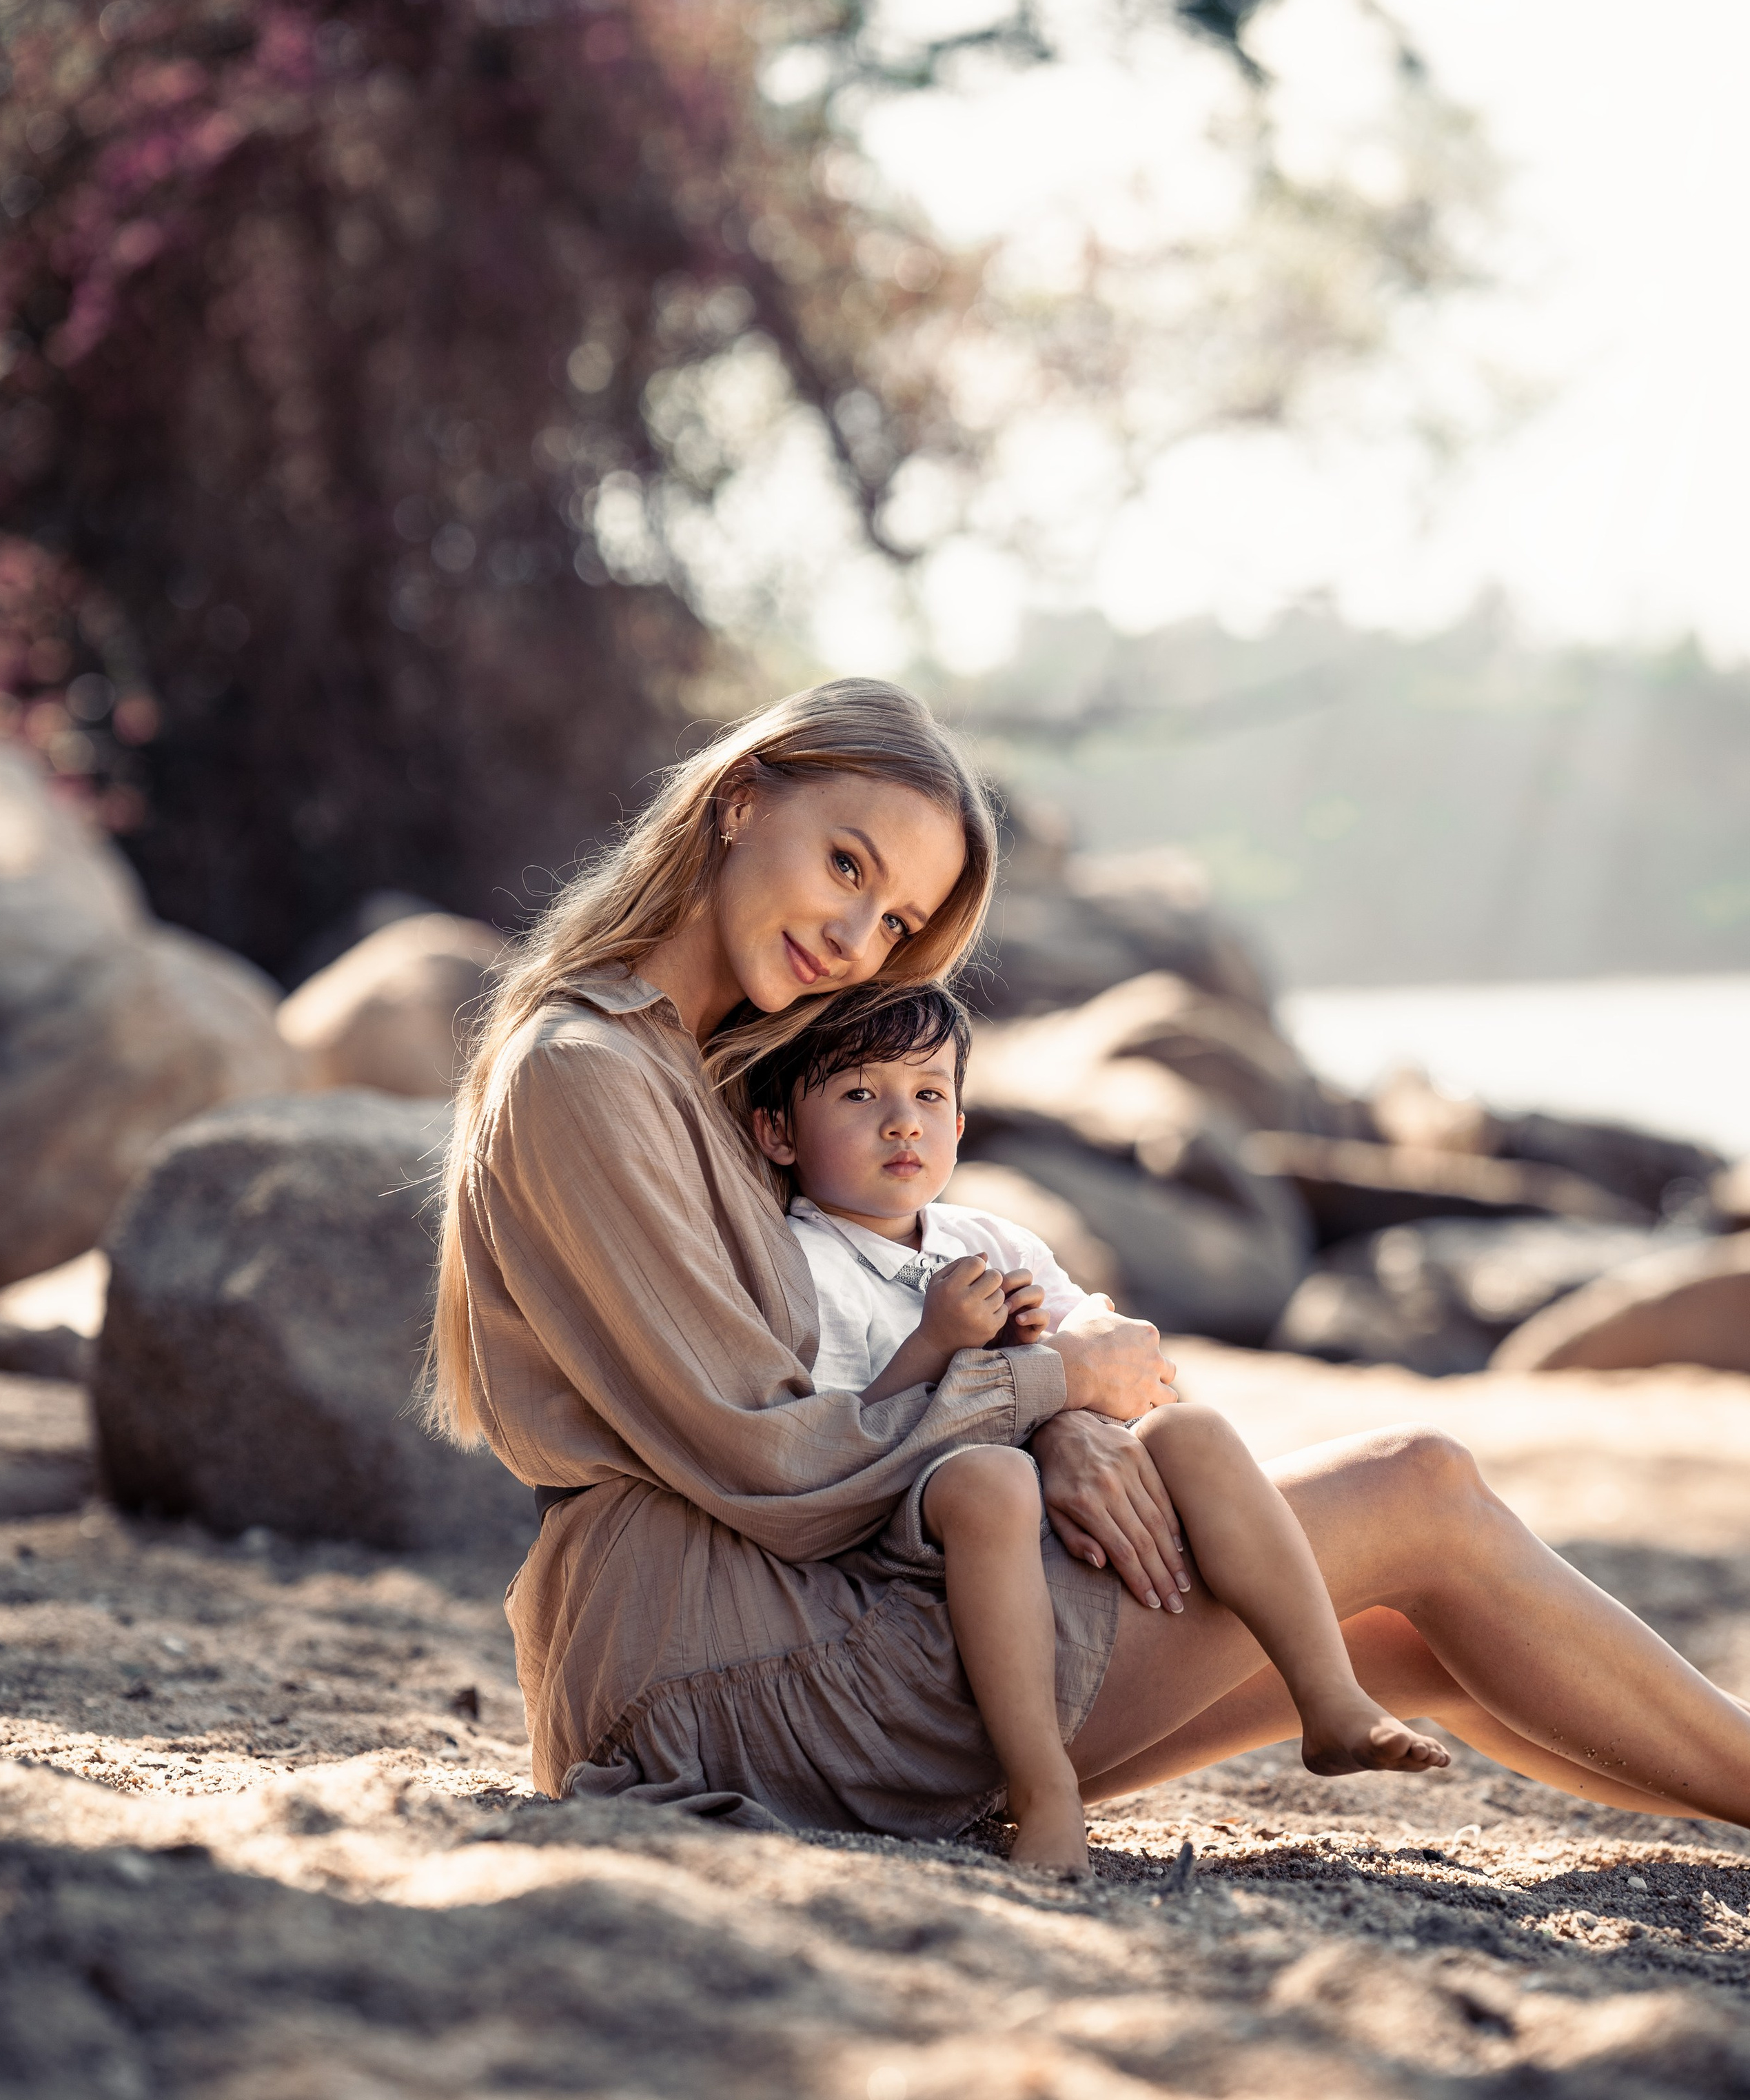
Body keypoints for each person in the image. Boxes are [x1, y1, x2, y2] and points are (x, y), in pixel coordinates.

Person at [427, 676, 1750, 1850]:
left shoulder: (717, 1079)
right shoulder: (586, 1072)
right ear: (738, 799)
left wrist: (1042, 1421)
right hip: (728, 1663)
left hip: (795, 1615)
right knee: (1418, 1489)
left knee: (1415, 1644)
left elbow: (863, 1361)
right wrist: (1046, 1390)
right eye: (846, 866)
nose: (856, 937)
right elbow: (767, 1454)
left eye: (895, 924)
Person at [744, 980, 1447, 1871]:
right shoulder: (801, 1265)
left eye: (927, 1095)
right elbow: (843, 1441)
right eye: (858, 1096)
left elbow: (1131, 1372)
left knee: (1194, 1433)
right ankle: (1044, 1790)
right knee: (986, 1480)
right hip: (912, 1545)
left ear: (960, 1124)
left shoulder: (990, 1240)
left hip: (1055, 1526)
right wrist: (939, 1346)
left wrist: (1050, 1353)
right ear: (777, 1132)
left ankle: (1331, 1696)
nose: (901, 1123)